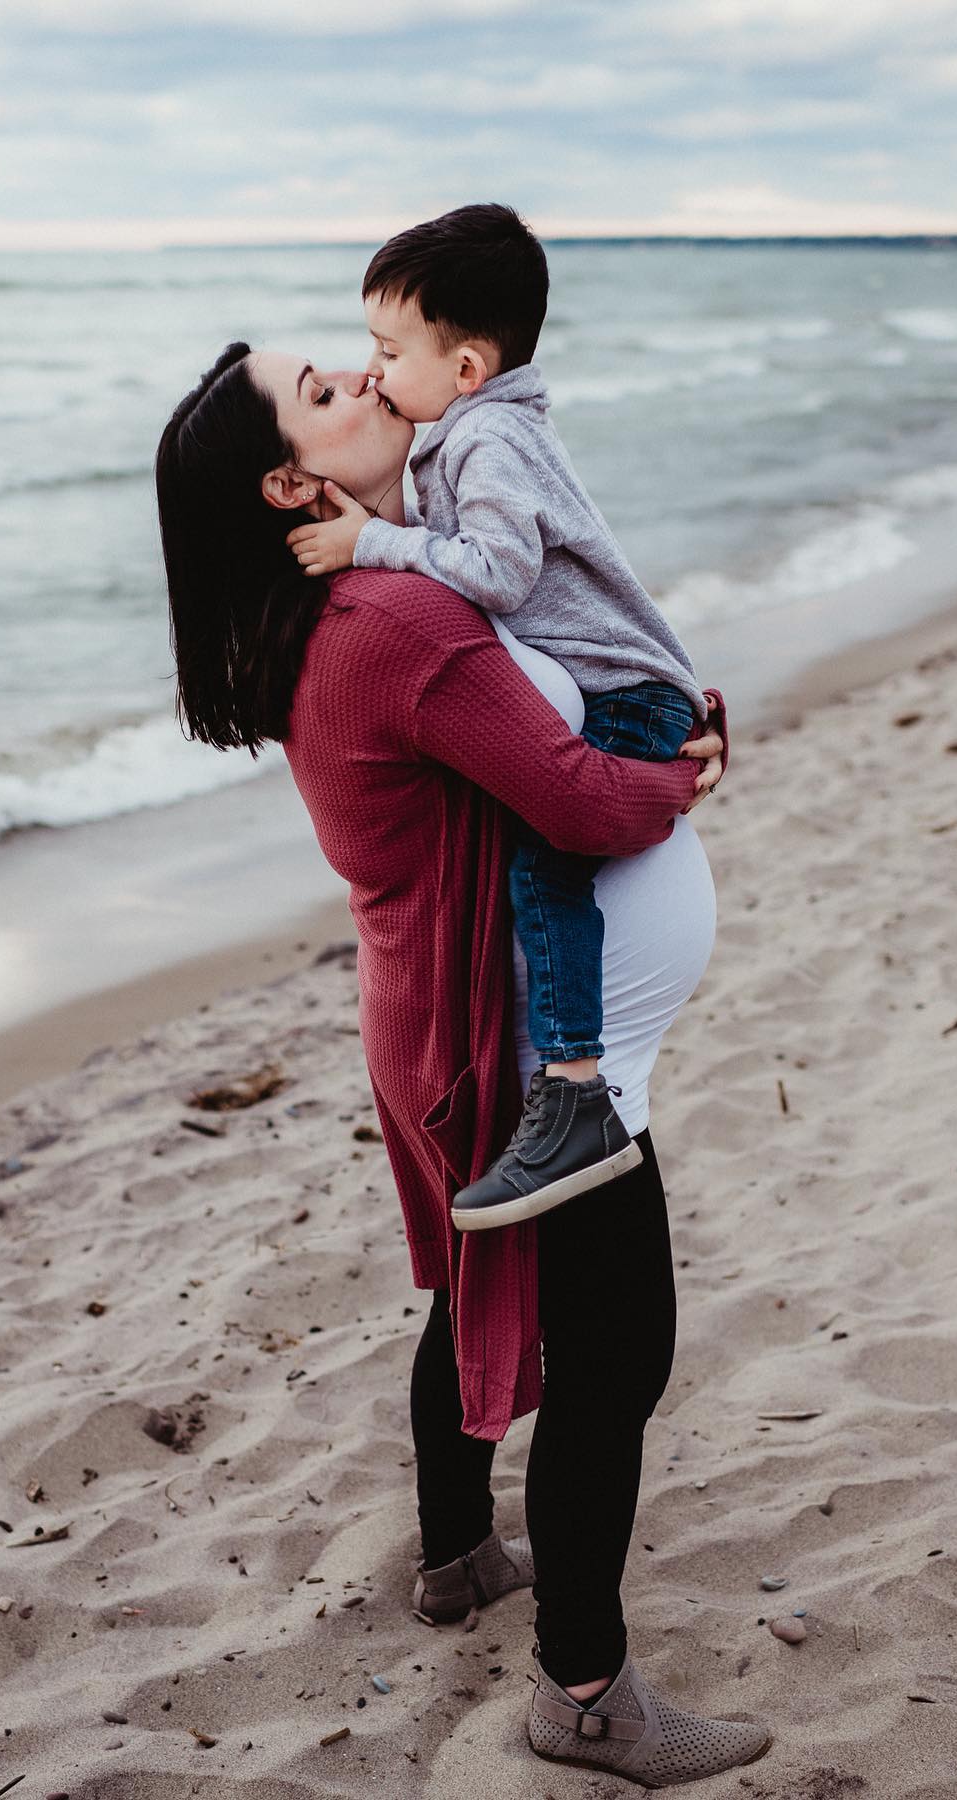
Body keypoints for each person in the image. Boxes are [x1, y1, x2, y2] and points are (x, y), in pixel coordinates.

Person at [155, 341, 773, 1785]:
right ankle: (585, 1695)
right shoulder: (395, 622)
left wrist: (664, 731)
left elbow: (548, 729)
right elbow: (575, 803)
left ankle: (454, 1557)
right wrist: (681, 774)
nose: (361, 380)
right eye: (323, 391)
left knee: (477, 1288)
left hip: (440, 1014)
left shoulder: (368, 594)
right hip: (527, 1054)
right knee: (615, 1353)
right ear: (288, 485)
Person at [286, 204, 708, 1235]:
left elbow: (500, 574)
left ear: (467, 368)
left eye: (388, 352)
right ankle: (576, 1089)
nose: (371, 372)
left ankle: (573, 1089)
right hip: (632, 687)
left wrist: (370, 545)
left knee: (546, 870)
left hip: (629, 695)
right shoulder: (477, 433)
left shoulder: (487, 441)